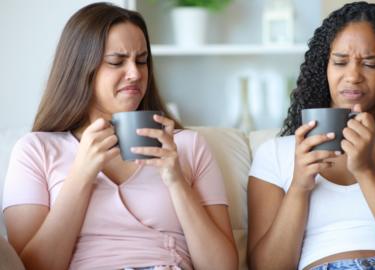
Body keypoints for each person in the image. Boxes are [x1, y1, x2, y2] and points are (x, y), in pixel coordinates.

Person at [2, 3, 238, 270]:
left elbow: (223, 267)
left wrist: (176, 181)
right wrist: (81, 174)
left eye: (141, 61)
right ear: (81, 68)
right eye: (117, 61)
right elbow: (29, 267)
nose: (135, 74)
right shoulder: (36, 150)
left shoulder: (187, 146)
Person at [247, 2, 375, 270]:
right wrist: (299, 186)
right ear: (324, 67)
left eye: (370, 63)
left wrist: (366, 171)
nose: (353, 76)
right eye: (340, 62)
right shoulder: (275, 153)